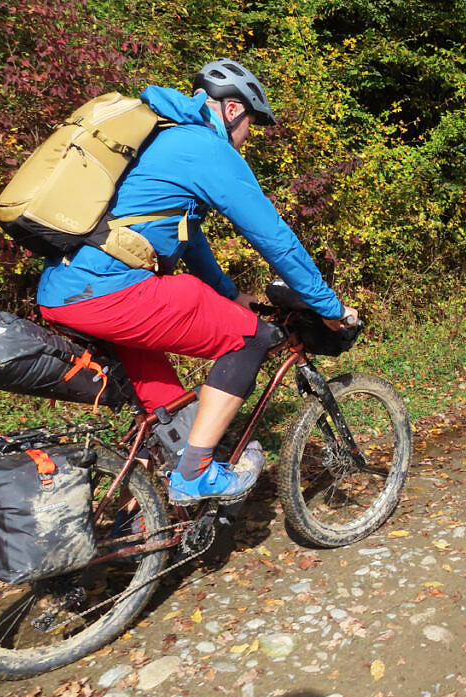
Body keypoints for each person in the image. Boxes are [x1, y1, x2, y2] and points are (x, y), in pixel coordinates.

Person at [37, 58, 358, 504]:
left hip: (65, 291)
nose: (248, 137)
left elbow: (189, 238)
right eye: (250, 124)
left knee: (168, 413)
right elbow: (275, 239)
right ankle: (194, 475)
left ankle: (142, 509)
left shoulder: (163, 138)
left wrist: (230, 293)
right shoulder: (204, 147)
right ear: (232, 109)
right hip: (110, 290)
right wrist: (328, 306)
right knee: (252, 338)